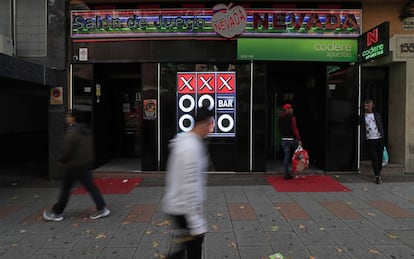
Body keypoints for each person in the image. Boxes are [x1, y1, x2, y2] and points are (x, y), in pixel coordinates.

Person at [162, 106, 214, 259]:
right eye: (210, 124)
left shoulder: (187, 141)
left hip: (178, 205)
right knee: (193, 247)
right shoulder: (190, 148)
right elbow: (190, 186)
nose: (211, 129)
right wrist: (196, 222)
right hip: (183, 208)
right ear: (203, 123)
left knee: (187, 246)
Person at [43, 110, 110, 221]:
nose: (67, 118)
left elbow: (68, 150)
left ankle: (56, 212)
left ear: (74, 118)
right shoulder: (87, 130)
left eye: (69, 116)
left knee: (66, 189)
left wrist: (62, 160)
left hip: (73, 165)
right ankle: (102, 208)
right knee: (90, 187)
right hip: (84, 164)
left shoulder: (72, 131)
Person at [361, 99, 385, 184]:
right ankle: (377, 175)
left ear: (372, 106)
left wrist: (383, 137)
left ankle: (378, 172)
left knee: (379, 158)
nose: (366, 107)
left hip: (379, 138)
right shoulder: (363, 116)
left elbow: (381, 126)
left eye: (368, 105)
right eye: (365, 106)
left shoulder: (377, 115)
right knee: (374, 158)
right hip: (370, 139)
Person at [278, 103, 302, 179]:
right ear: (287, 109)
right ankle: (298, 167)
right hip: (291, 139)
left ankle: (286, 173)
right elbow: (295, 129)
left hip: (283, 139)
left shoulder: (280, 118)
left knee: (286, 156)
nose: (292, 109)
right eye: (290, 108)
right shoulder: (292, 117)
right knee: (300, 151)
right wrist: (298, 139)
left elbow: (280, 128)